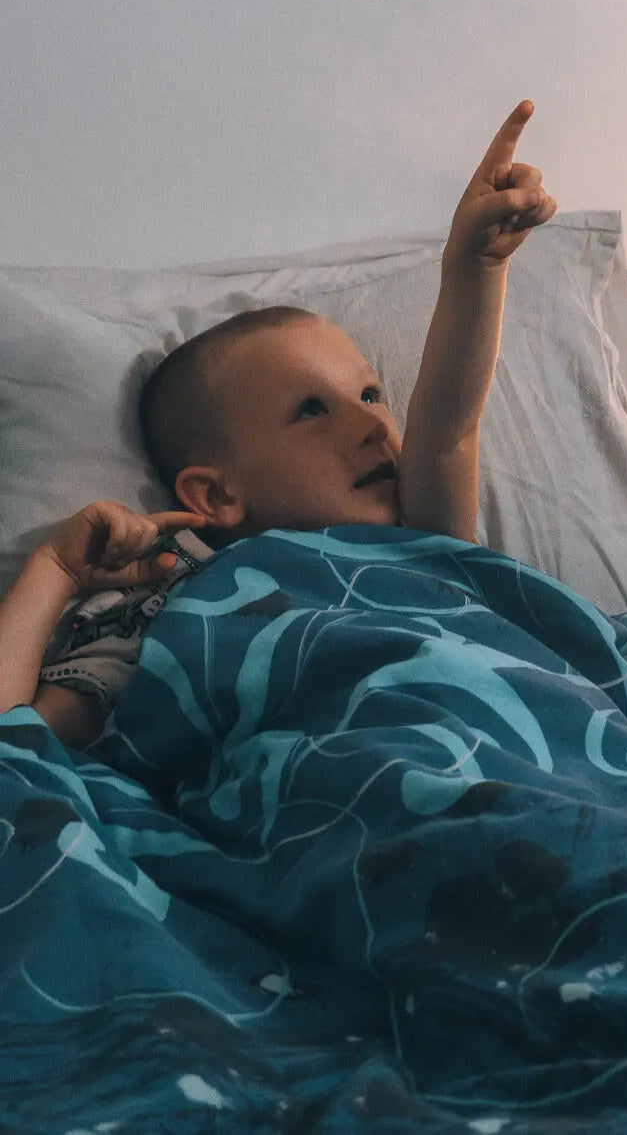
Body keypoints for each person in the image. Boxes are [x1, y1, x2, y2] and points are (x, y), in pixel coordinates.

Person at [0, 101, 557, 749]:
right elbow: (18, 750)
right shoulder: (171, 593)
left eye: (371, 394)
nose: (372, 425)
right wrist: (56, 567)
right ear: (216, 495)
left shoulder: (421, 539)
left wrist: (477, 266)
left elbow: (450, 430)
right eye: (312, 409)